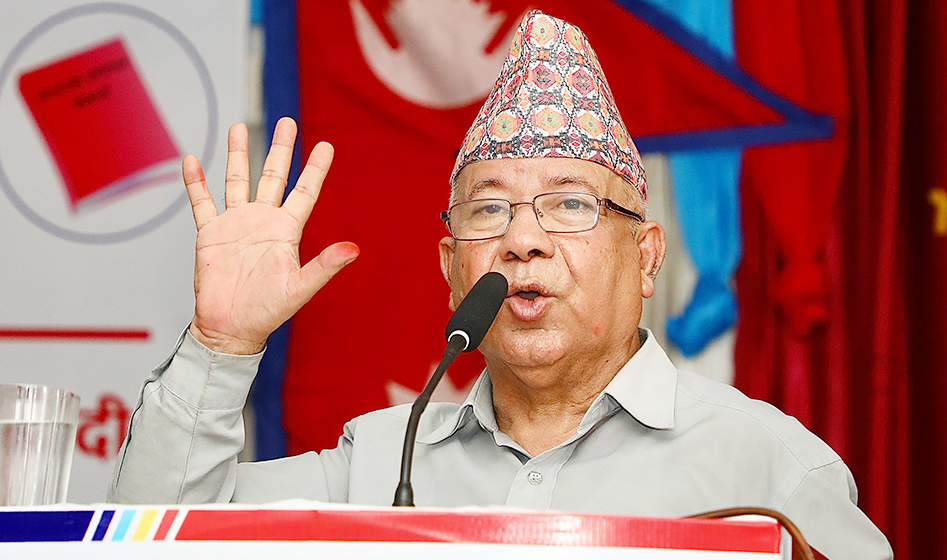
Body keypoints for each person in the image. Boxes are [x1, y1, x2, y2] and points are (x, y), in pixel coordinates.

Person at [109, 10, 891, 560]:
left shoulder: (769, 466)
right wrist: (221, 345)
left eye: (570, 205)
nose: (522, 239)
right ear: (450, 268)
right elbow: (153, 539)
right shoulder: (379, 459)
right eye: (489, 211)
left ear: (647, 256)